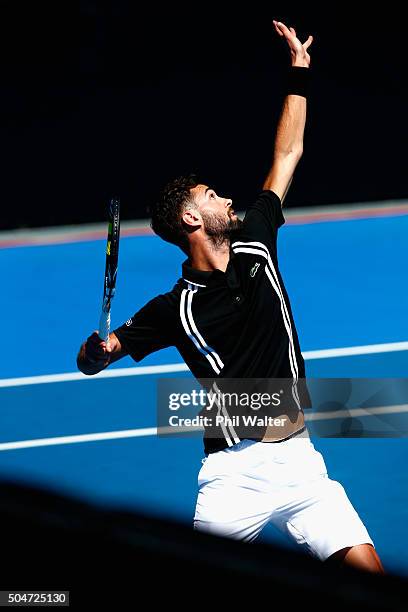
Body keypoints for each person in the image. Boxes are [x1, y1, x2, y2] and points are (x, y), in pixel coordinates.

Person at [77, 20, 385, 573]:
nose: (227, 197)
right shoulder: (174, 309)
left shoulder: (256, 242)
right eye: (213, 195)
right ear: (192, 218)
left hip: (302, 462)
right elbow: (99, 356)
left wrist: (298, 74)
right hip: (234, 473)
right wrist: (95, 352)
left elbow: (287, 155)